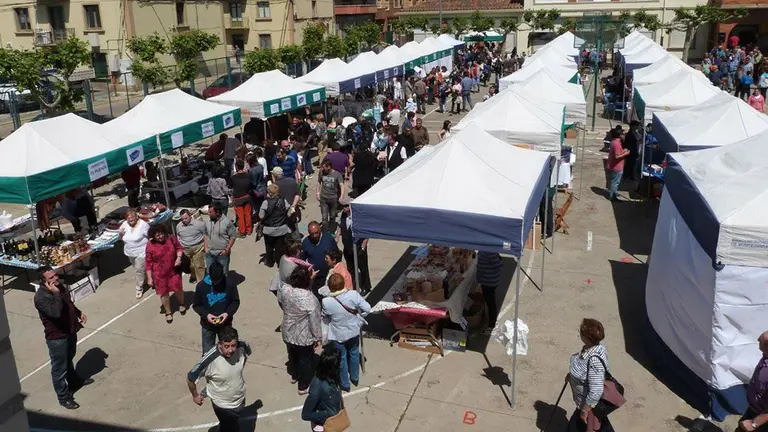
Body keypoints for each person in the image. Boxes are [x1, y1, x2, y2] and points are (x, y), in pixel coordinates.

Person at [35, 266, 93, 410]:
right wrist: (55, 294)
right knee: (59, 369)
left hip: (70, 330)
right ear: (44, 282)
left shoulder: (59, 288)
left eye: (55, 275)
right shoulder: (41, 297)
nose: (56, 279)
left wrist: (78, 313)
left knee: (69, 358)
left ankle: (74, 381)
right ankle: (64, 397)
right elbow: (55, 313)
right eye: (51, 278)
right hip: (57, 337)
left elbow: (68, 303)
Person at [187, 326, 251, 432]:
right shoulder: (209, 360)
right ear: (219, 344)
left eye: (233, 345)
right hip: (223, 405)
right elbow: (190, 378)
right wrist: (195, 395)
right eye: (226, 346)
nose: (231, 350)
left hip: (240, 398)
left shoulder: (242, 345)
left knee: (228, 426)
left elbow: (244, 357)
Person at [322, 274, 371, 392]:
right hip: (353, 331)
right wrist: (360, 316)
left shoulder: (326, 301)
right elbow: (368, 308)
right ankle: (355, 377)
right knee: (354, 353)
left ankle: (345, 384)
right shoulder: (353, 295)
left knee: (342, 359)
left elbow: (324, 317)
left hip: (338, 334)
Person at [278, 266, 322, 395]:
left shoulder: (285, 291)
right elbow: (315, 321)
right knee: (305, 360)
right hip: (303, 336)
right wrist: (318, 338)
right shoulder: (310, 299)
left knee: (292, 355)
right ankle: (303, 386)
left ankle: (294, 375)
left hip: (287, 331)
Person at [566, 318, 614, 432]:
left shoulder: (594, 361)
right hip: (585, 405)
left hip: (589, 406)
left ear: (586, 337)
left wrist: (585, 410)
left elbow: (596, 390)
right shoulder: (595, 348)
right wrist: (571, 377)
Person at [192, 261, 241, 354]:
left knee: (228, 352)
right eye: (213, 280)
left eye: (218, 280)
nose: (215, 283)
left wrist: (227, 313)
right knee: (207, 353)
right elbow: (196, 305)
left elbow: (235, 302)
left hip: (225, 324)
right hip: (207, 326)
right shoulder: (201, 286)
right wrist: (207, 315)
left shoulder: (230, 284)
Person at [145, 224, 186, 324]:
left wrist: (179, 258)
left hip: (173, 270)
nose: (161, 237)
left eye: (162, 234)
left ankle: (181, 303)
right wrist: (149, 278)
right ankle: (168, 312)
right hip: (159, 274)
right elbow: (148, 262)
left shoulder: (171, 238)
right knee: (164, 293)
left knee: (178, 288)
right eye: (157, 235)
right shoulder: (150, 245)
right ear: (153, 236)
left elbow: (179, 248)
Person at [301, 344, 344, 431]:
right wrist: (326, 414)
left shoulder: (334, 375)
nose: (340, 366)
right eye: (337, 365)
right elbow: (306, 414)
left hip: (335, 421)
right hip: (324, 426)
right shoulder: (317, 386)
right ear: (330, 367)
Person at [739, 331, 768, 432]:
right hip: (753, 408)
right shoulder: (765, 356)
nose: (757, 341)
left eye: (760, 341)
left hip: (762, 419)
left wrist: (754, 423)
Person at [302, 221, 339, 294]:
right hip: (315, 276)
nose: (314, 236)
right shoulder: (305, 242)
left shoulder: (328, 238)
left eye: (316, 233)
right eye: (312, 234)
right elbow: (302, 259)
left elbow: (336, 254)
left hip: (329, 274)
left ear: (320, 230)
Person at [119, 209, 149, 299]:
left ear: (136, 217)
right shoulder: (124, 224)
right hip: (130, 252)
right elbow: (121, 238)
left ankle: (139, 288)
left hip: (141, 251)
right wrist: (120, 233)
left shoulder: (144, 225)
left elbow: (150, 236)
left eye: (132, 217)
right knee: (137, 268)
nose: (130, 219)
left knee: (139, 270)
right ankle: (147, 279)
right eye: (128, 218)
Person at [259, 184, 291, 268]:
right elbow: (289, 211)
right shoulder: (283, 201)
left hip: (268, 229)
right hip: (281, 228)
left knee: (269, 247)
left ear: (269, 192)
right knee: (279, 247)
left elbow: (261, 216)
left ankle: (269, 262)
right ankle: (279, 262)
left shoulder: (265, 202)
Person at [205, 205, 237, 275]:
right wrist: (206, 248)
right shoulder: (207, 221)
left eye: (210, 212)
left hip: (222, 254)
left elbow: (233, 236)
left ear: (217, 212)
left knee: (223, 273)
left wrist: (227, 249)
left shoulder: (227, 222)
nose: (208, 214)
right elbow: (206, 234)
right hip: (210, 253)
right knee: (209, 273)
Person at [177, 209, 206, 283]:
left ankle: (201, 283)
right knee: (191, 266)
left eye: (185, 218)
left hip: (198, 248)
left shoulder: (199, 224)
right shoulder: (178, 226)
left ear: (190, 216)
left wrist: (206, 246)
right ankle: (193, 276)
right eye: (182, 219)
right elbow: (178, 236)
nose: (184, 220)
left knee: (199, 266)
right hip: (186, 250)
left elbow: (206, 234)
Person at [317, 160, 345, 233]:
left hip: (333, 199)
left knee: (332, 216)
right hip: (323, 198)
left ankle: (332, 230)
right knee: (324, 217)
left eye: (324, 167)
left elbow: (341, 185)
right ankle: (326, 232)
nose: (322, 169)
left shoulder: (337, 174)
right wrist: (317, 193)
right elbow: (319, 182)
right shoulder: (321, 172)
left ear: (329, 167)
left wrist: (341, 196)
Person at [230, 160, 253, 237]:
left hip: (238, 199)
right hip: (247, 197)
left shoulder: (233, 177)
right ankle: (249, 230)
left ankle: (242, 232)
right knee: (248, 214)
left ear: (236, 167)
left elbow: (230, 186)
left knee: (240, 216)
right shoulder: (248, 175)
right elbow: (251, 185)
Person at [606, 128, 629, 201]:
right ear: (619, 135)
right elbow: (617, 156)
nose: (624, 135)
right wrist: (626, 153)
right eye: (623, 134)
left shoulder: (614, 142)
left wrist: (623, 151)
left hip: (615, 165)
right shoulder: (616, 143)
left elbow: (618, 153)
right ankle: (612, 196)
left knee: (615, 181)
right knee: (615, 182)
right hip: (617, 166)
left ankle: (613, 194)